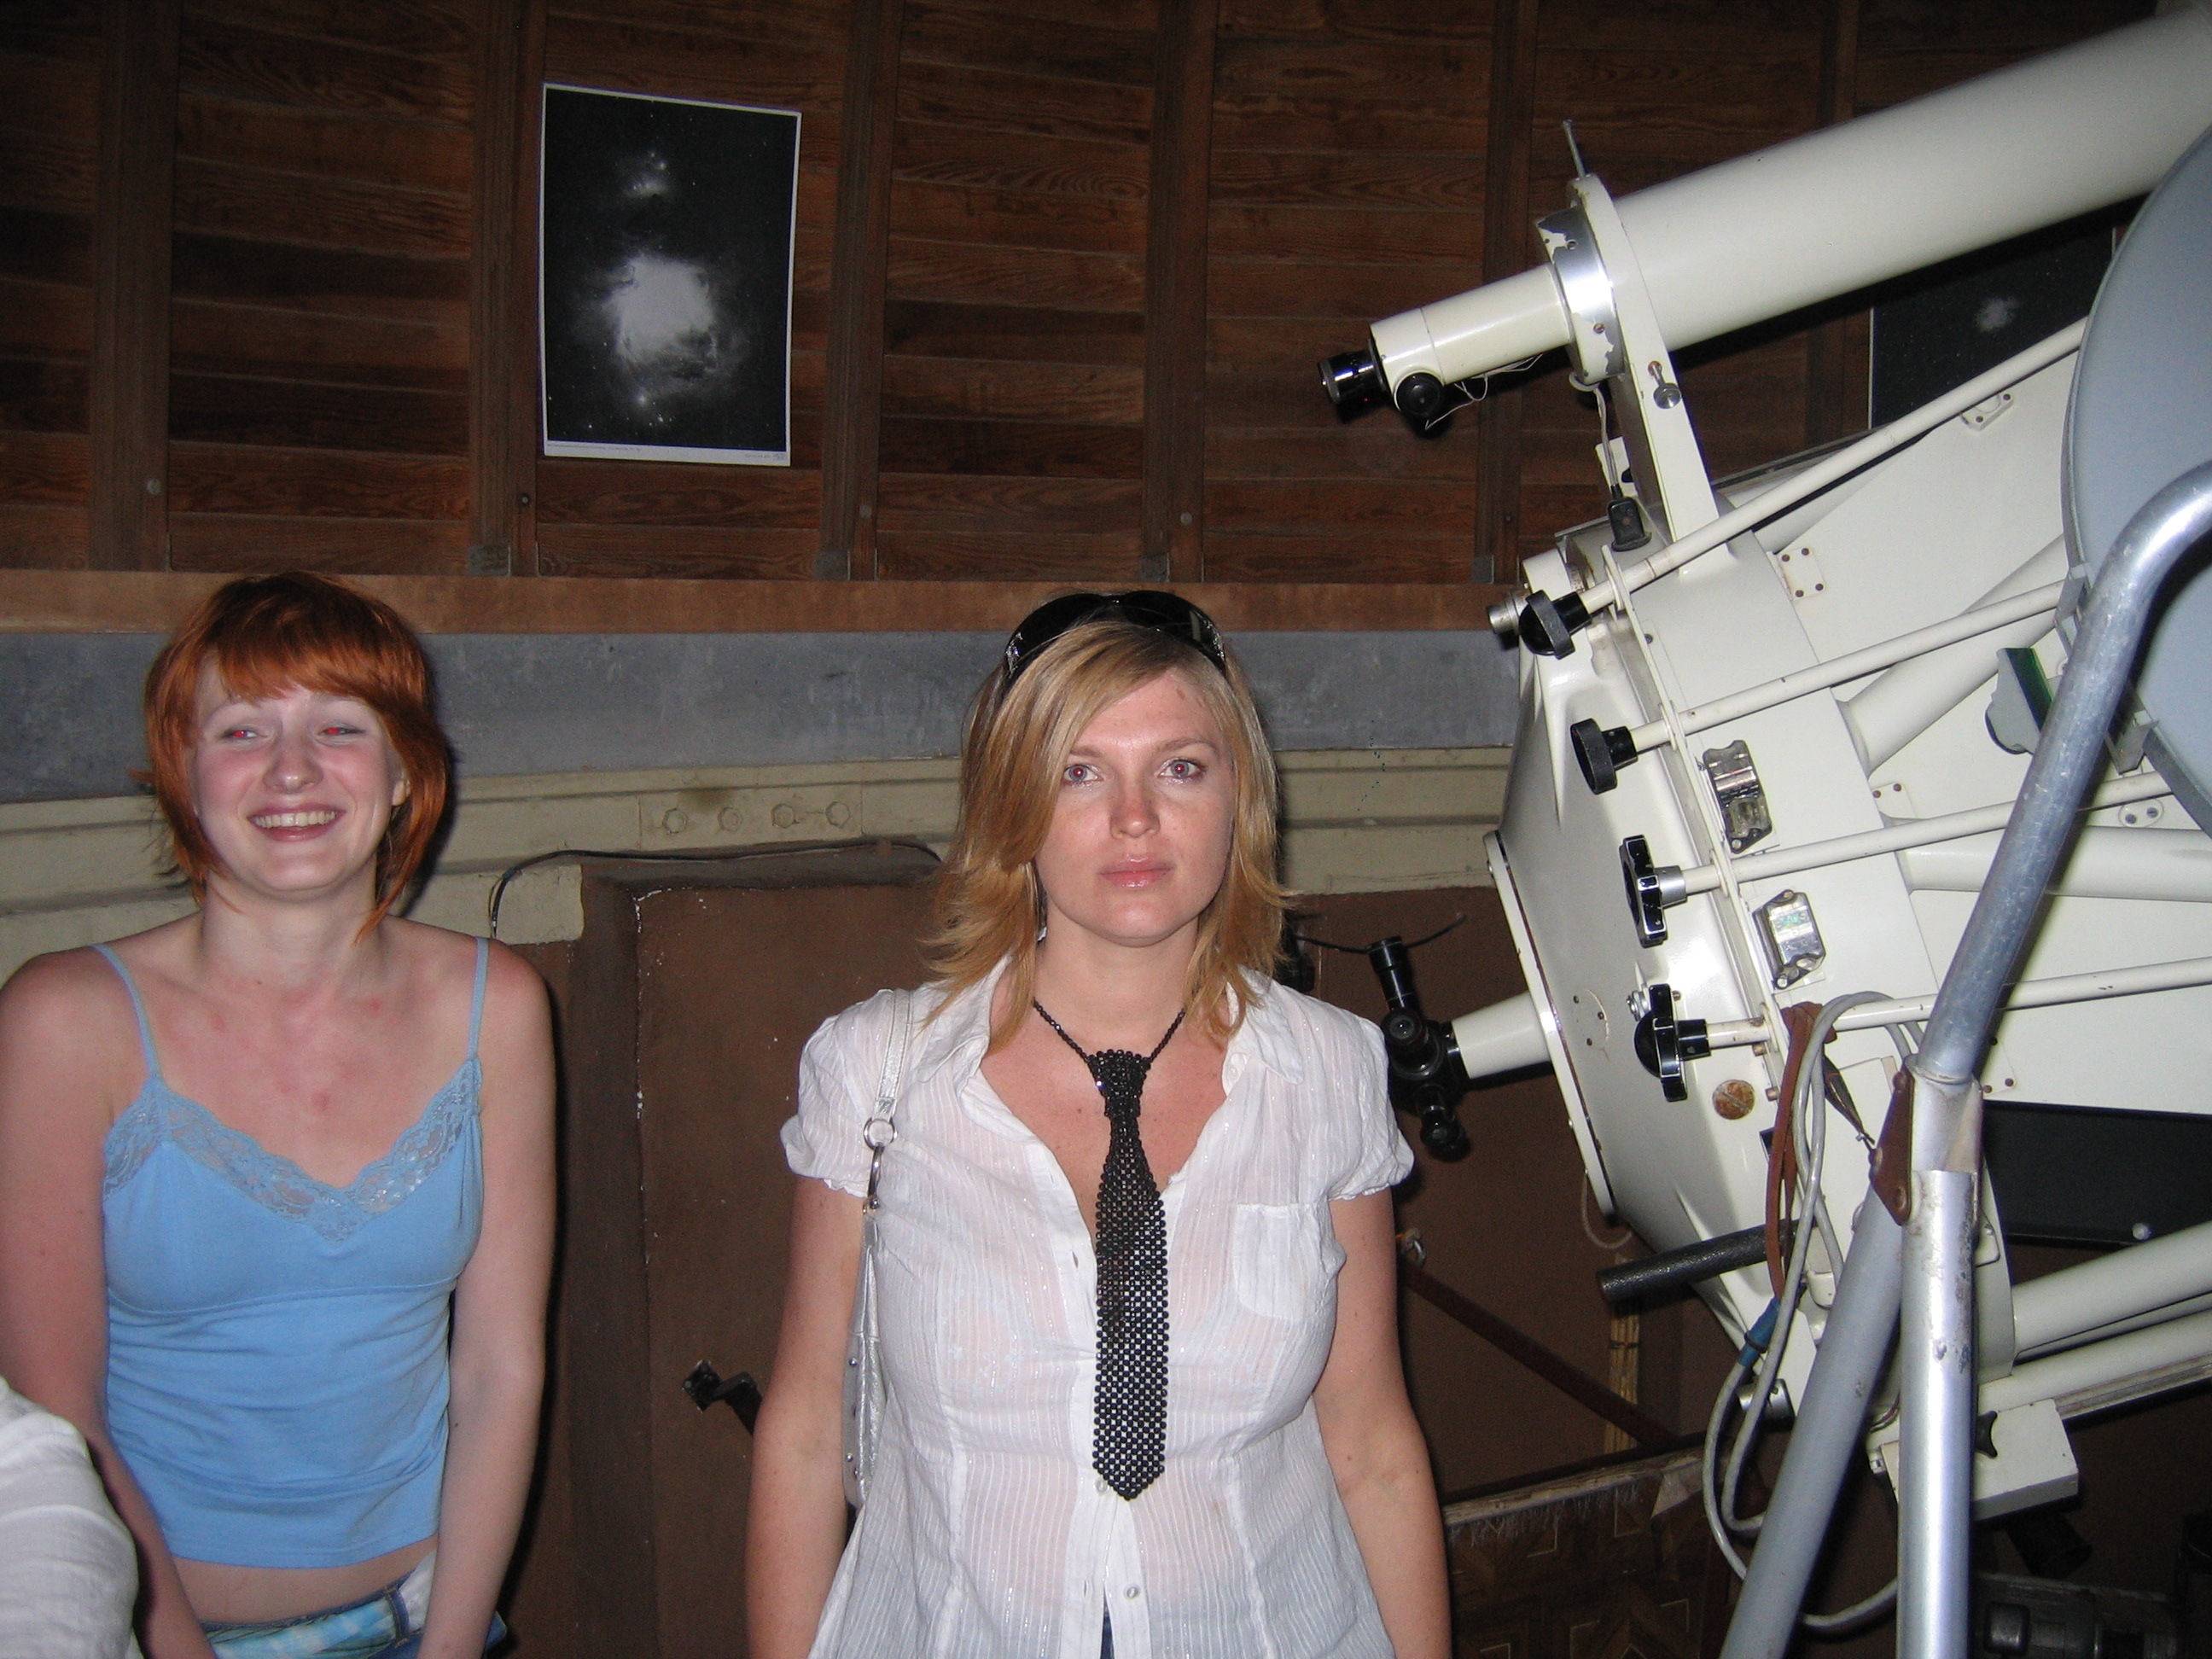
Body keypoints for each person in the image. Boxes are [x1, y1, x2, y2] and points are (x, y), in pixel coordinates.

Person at [748, 592, 1450, 1659]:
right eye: (1080, 772)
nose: (1134, 818)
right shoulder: (878, 1074)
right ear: (1013, 805)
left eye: (1181, 768)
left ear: (1238, 797)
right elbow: (804, 1435)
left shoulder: (1329, 1071)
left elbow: (1371, 1442)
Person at [0, 573, 556, 1659]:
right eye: (242, 729)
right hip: (150, 1633)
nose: (292, 770)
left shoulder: (497, 1008)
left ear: (404, 772)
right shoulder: (64, 1021)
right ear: (183, 772)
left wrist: (448, 1647)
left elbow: (501, 1371)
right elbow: (59, 1412)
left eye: (339, 727)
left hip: (428, 1616)